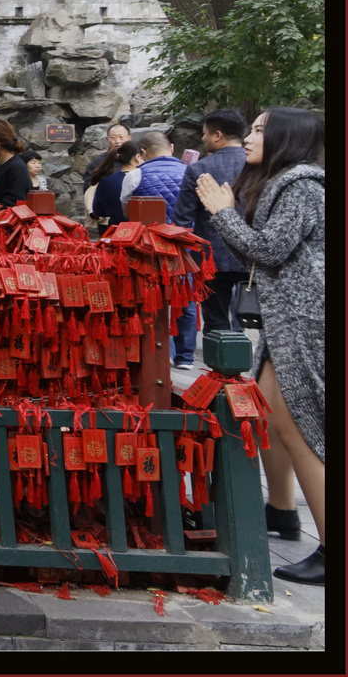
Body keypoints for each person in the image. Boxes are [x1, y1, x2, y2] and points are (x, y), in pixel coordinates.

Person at [196, 107, 325, 585]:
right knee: (269, 418)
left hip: (305, 319)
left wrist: (223, 214)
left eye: (258, 130)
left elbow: (269, 248)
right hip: (286, 316)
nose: (247, 137)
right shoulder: (283, 182)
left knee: (299, 428)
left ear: (287, 139)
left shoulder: (302, 185)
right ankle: (283, 511)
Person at [120, 131, 196, 366]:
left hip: (150, 247)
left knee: (155, 297)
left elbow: (127, 213)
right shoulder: (191, 172)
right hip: (186, 244)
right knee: (186, 297)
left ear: (142, 153)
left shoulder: (134, 175)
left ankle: (165, 352)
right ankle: (186, 356)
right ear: (171, 148)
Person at [172, 109, 249, 339]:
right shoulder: (260, 166)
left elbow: (183, 219)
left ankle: (223, 372)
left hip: (211, 259)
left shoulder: (199, 168)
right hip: (254, 258)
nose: (203, 139)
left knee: (216, 321)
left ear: (217, 135)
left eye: (204, 134)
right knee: (255, 317)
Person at [89, 140, 142, 228]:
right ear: (138, 157)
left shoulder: (107, 181)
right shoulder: (144, 179)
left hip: (116, 232)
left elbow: (98, 211)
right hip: (141, 232)